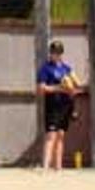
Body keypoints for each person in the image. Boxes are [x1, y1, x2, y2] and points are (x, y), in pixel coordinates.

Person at [37, 40, 80, 170]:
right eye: (54, 52)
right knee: (51, 134)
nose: (56, 55)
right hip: (53, 105)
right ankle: (45, 166)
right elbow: (41, 88)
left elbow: (76, 86)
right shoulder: (46, 68)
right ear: (50, 53)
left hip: (65, 105)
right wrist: (59, 88)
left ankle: (58, 166)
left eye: (59, 52)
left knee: (61, 135)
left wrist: (72, 88)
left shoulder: (67, 68)